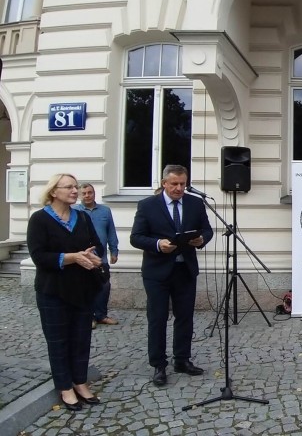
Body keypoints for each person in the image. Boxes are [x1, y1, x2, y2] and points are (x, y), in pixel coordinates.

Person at [130, 165, 214, 387]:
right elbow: (136, 237)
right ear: (164, 183)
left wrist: (201, 240)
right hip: (157, 271)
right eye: (174, 184)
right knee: (157, 318)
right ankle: (159, 364)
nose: (179, 188)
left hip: (184, 269)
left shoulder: (195, 203)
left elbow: (207, 230)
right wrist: (158, 244)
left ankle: (182, 359)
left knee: (185, 316)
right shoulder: (148, 205)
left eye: (183, 184)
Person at [27, 173, 104, 411]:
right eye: (69, 187)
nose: (75, 191)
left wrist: (94, 257)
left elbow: (96, 245)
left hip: (83, 289)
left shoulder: (81, 217)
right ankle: (65, 387)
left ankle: (80, 382)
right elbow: (39, 256)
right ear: (54, 191)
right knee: (58, 341)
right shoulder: (39, 219)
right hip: (53, 291)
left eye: (76, 187)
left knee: (82, 339)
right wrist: (72, 257)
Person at [75, 183, 120, 329]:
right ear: (80, 195)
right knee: (86, 288)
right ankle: (89, 317)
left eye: (90, 192)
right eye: (84, 193)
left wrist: (114, 250)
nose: (87, 196)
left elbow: (111, 232)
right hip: (83, 257)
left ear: (94, 193)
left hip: (101, 257)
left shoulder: (105, 211)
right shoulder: (75, 211)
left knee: (104, 286)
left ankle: (101, 315)